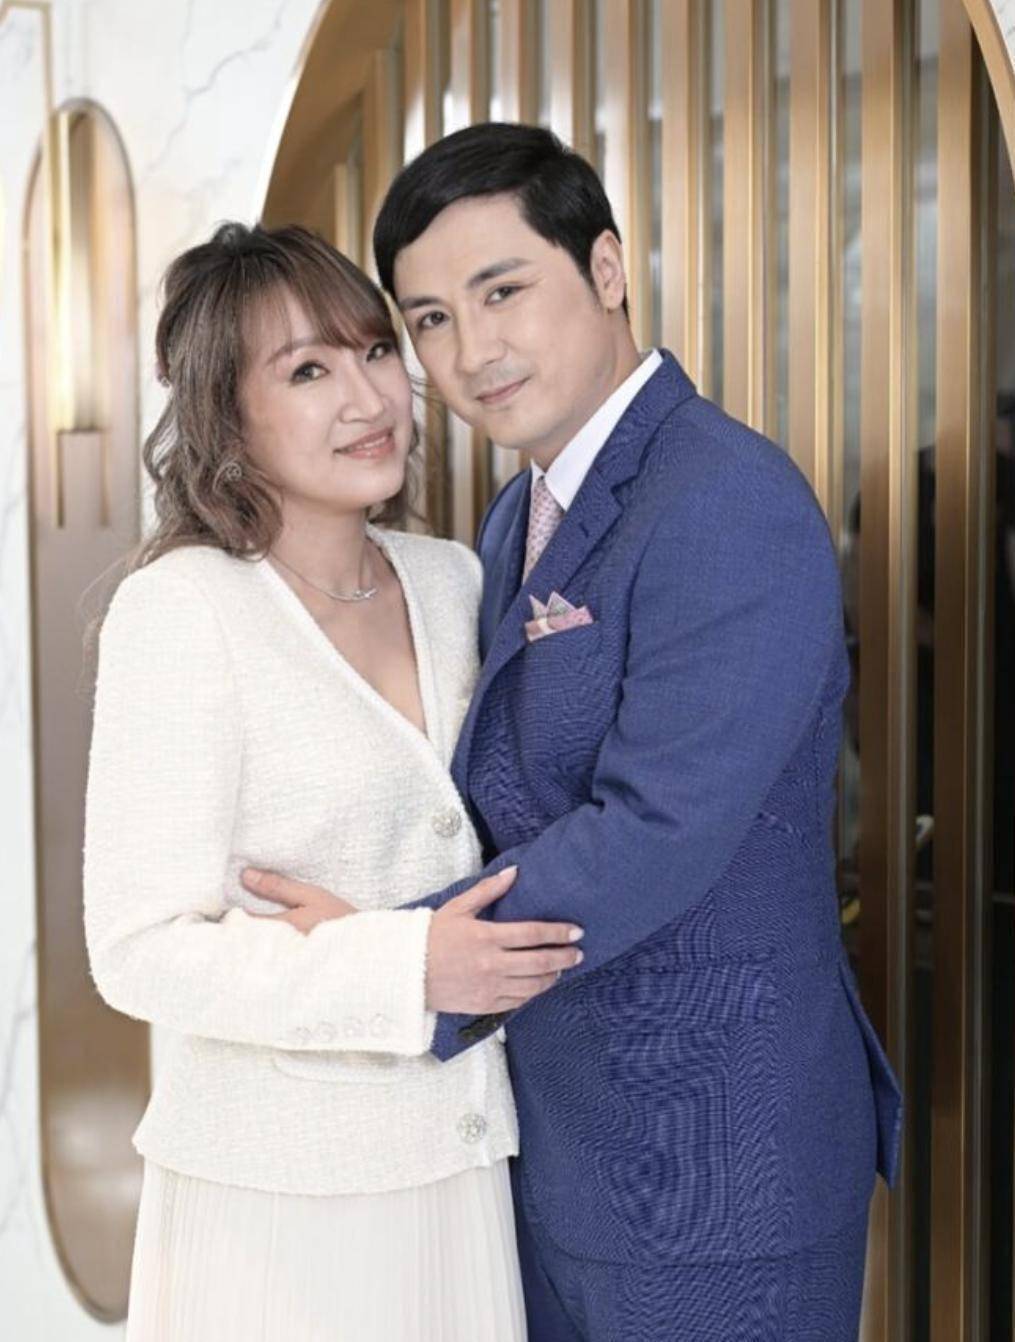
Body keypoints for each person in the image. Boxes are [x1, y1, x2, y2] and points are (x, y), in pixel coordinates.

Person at [248, 123, 904, 1340]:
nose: (472, 350)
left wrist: (392, 955)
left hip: (716, 1165)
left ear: (604, 268)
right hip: (563, 1147)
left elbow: (655, 829)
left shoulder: (724, 497)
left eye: (502, 291)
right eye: (431, 318)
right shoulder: (516, 518)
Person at [83, 221, 586, 1341]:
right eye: (307, 371)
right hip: (282, 1198)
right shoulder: (184, 610)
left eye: (374, 351)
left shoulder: (453, 581)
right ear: (226, 415)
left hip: (462, 1162)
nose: (368, 399)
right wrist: (405, 964)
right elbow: (137, 948)